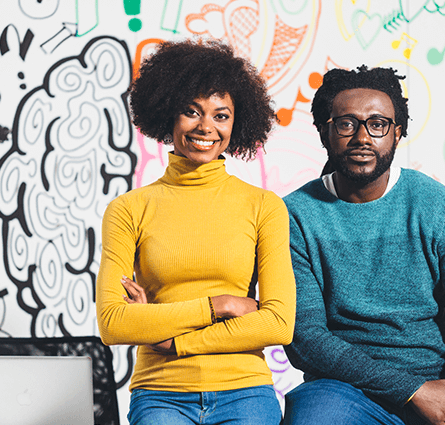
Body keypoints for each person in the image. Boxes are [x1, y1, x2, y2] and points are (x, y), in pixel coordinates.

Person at [282, 65, 445, 425]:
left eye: (378, 124)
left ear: (397, 133)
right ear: (325, 132)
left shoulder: (438, 206)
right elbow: (306, 338)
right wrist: (410, 390)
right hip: (342, 390)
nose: (362, 137)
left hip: (440, 386)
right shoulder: (295, 215)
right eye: (346, 123)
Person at [95, 38, 295, 425]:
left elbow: (278, 323)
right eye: (192, 112)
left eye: (221, 115)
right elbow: (114, 322)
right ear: (168, 113)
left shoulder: (264, 207)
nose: (207, 127)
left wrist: (171, 337)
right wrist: (220, 305)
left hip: (245, 390)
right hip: (160, 393)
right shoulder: (128, 209)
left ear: (237, 123)